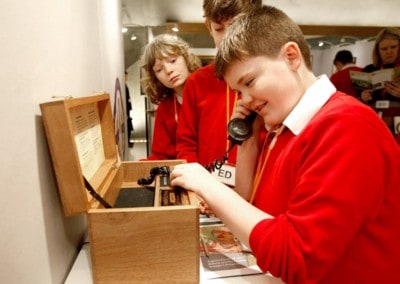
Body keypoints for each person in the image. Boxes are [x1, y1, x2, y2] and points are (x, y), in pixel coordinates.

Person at [170, 5, 400, 284]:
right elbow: (249, 205)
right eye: (238, 92)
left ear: (291, 56)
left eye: (250, 82)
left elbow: (296, 258)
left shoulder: (347, 126)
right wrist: (249, 140)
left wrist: (208, 185)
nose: (245, 100)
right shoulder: (282, 127)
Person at [176, 0, 262, 180]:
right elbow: (186, 144)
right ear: (208, 26)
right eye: (219, 29)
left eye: (234, 27)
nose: (226, 38)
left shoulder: (267, 79)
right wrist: (198, 186)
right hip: (207, 188)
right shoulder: (197, 82)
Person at [140, 33, 201, 160]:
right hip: (186, 174)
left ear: (186, 58)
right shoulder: (165, 108)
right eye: (159, 70)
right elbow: (161, 157)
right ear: (155, 77)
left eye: (173, 61)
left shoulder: (211, 89)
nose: (168, 70)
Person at [360, 27, 400, 142]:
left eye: (393, 47)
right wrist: (363, 98)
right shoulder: (369, 70)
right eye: (384, 49)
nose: (389, 52)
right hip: (374, 122)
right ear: (377, 51)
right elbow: (357, 101)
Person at [125, 71, 134, 148]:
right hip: (126, 110)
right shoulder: (124, 87)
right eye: (125, 76)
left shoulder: (125, 86)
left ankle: (129, 141)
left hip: (128, 109)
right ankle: (128, 141)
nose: (126, 78)